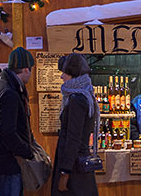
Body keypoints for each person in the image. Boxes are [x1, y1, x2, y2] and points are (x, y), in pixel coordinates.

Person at [0, 47, 35, 196]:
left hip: (3, 162)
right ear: (26, 69)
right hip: (7, 164)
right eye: (31, 69)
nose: (31, 74)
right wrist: (28, 151)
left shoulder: (1, 87)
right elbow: (8, 134)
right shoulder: (9, 93)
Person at [51, 53, 99, 196]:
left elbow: (73, 138)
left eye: (64, 73)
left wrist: (65, 172)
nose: (62, 77)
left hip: (74, 166)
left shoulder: (76, 99)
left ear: (73, 74)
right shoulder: (86, 94)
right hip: (79, 162)